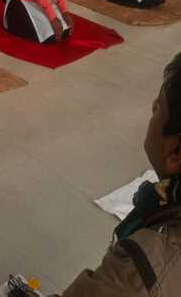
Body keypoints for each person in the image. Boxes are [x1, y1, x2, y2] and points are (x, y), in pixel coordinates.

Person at [54, 52, 181, 297]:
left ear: (175, 151)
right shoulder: (163, 203)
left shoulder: (136, 276)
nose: (152, 105)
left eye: (159, 106)